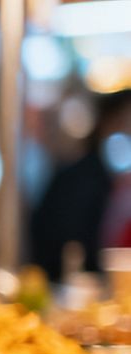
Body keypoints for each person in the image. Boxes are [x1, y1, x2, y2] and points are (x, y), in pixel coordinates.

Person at [30, 90, 131, 279]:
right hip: (61, 285)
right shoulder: (83, 180)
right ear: (109, 123)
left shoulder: (106, 177)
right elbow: (73, 249)